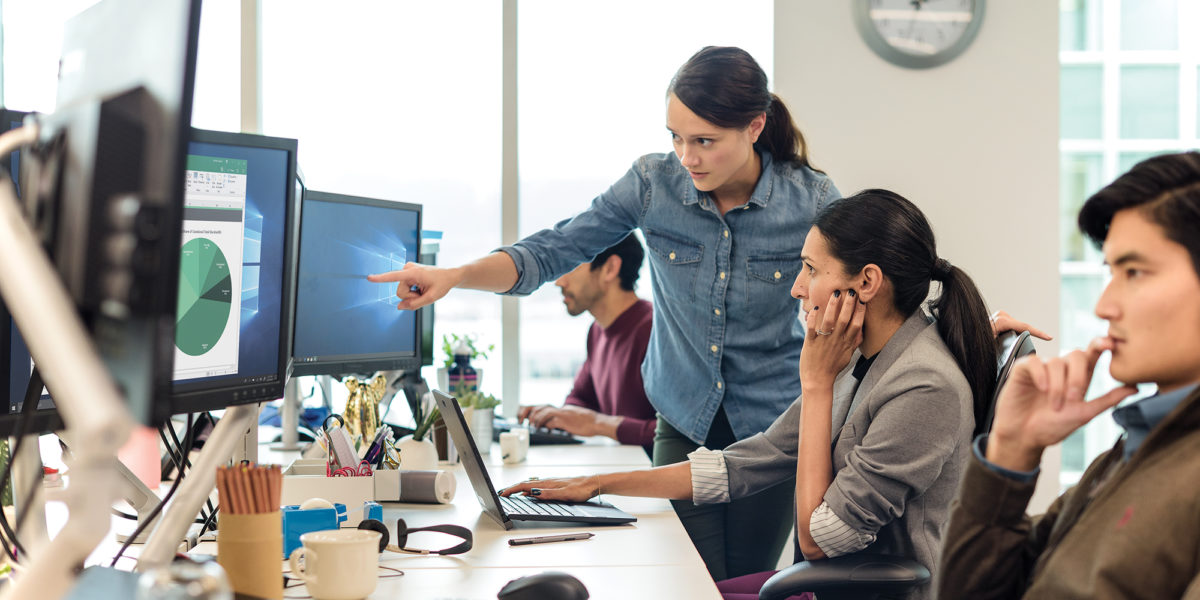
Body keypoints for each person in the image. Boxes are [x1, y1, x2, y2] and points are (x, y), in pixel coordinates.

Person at [369, 46, 839, 579]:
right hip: (684, 419)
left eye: (704, 141)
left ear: (755, 127)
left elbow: (852, 308)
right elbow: (551, 251)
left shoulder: (813, 202)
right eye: (676, 138)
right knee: (689, 578)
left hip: (773, 429)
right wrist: (454, 277)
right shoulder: (651, 184)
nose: (688, 157)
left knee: (743, 582)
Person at [500, 190, 998, 600]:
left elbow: (819, 538)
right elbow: (752, 459)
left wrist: (816, 384)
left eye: (810, 269)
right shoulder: (859, 358)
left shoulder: (920, 386)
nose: (797, 289)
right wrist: (598, 485)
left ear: (867, 281)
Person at [937, 152, 1200, 599]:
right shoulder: (1133, 448)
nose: (1103, 306)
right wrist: (1011, 453)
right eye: (1110, 272)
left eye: (1134, 272)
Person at [517, 234, 657, 455]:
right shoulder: (597, 330)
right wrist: (555, 415)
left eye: (570, 267)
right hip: (621, 468)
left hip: (654, 479)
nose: (559, 281)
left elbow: (677, 434)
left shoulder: (655, 332)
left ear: (610, 268)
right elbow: (581, 399)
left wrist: (598, 424)